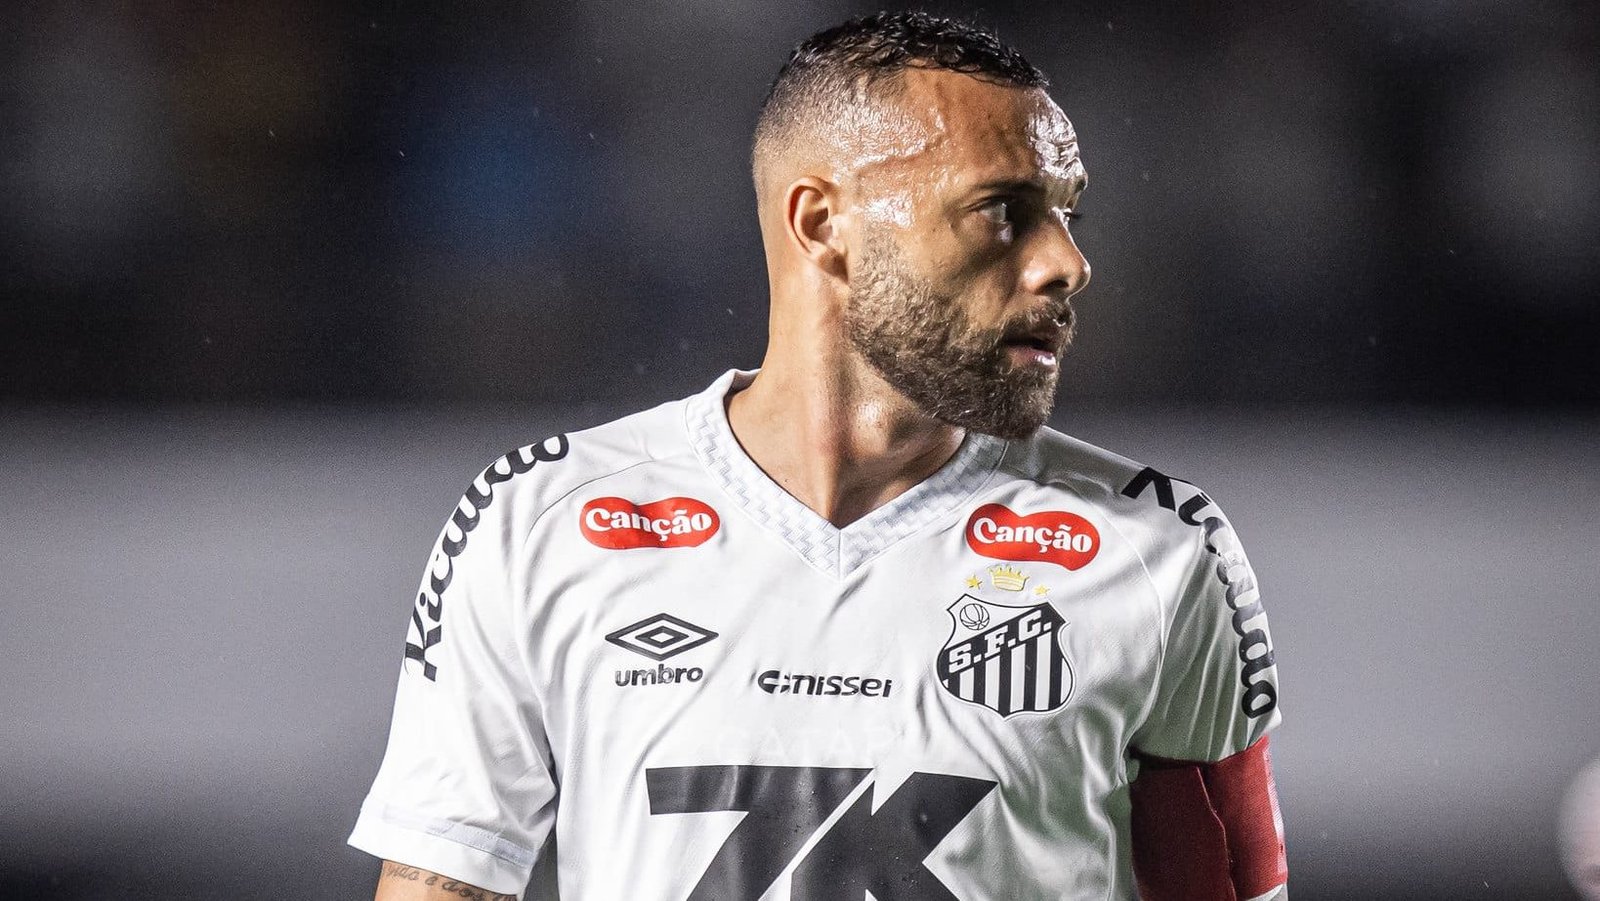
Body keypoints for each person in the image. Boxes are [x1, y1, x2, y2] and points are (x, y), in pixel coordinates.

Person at [349, 12, 1287, 900]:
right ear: (822, 224)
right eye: (1004, 210)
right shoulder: (538, 524)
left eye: (1067, 212)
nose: (1067, 263)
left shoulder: (1160, 552)